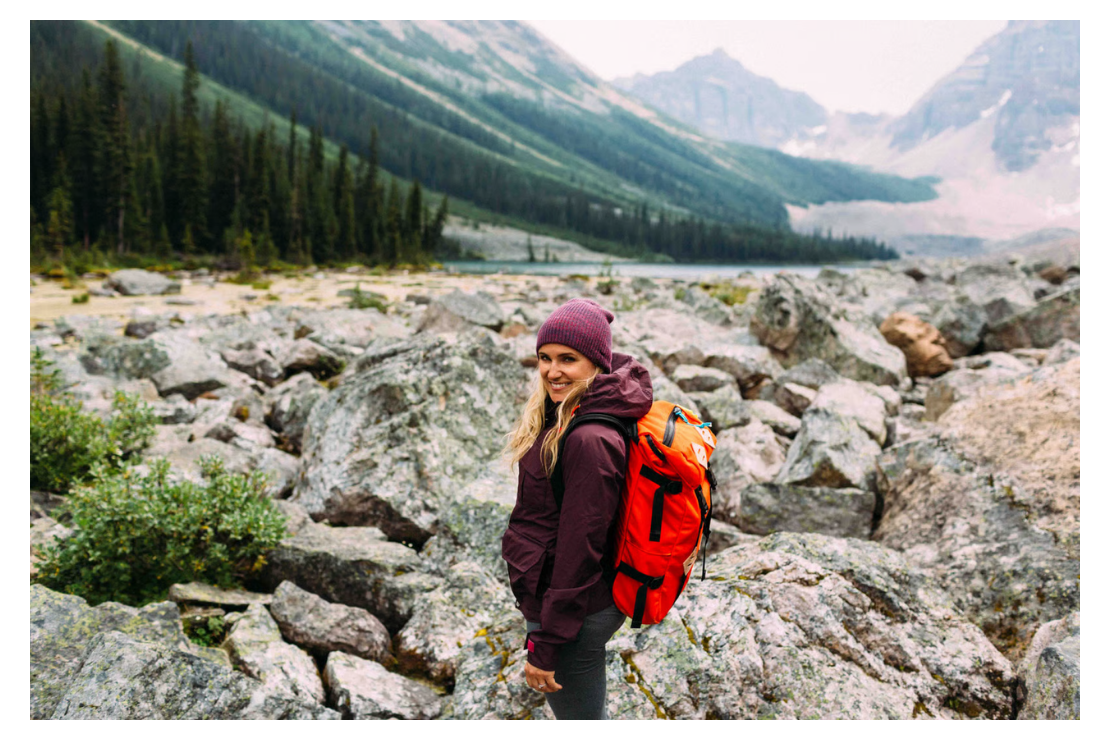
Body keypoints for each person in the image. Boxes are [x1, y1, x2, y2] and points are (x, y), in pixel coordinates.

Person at [501, 297, 653, 720]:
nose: (552, 371)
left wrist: (547, 644)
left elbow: (580, 549)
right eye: (544, 358)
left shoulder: (589, 438)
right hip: (567, 602)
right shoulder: (568, 413)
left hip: (575, 610)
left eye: (568, 358)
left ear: (598, 363)